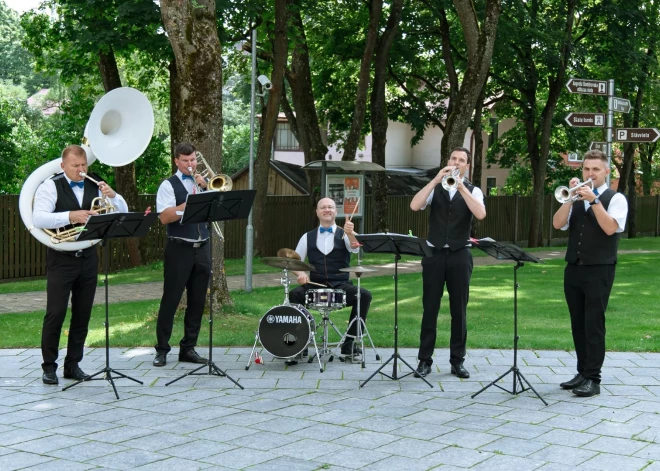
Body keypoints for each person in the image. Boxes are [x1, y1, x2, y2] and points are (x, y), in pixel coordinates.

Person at [32, 144, 128, 385]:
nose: (81, 170)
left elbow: (123, 212)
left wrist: (112, 195)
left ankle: (73, 365)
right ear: (63, 165)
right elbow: (38, 217)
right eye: (75, 166)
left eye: (84, 165)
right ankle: (49, 366)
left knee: (82, 314)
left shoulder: (95, 183)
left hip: (88, 256)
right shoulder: (50, 185)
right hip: (61, 257)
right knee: (55, 313)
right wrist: (70, 216)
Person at [552, 149, 628, 397]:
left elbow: (609, 228)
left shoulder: (616, 199)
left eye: (595, 169)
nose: (590, 174)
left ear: (607, 171)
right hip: (574, 268)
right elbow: (556, 224)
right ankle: (582, 372)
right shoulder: (576, 197)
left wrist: (594, 201)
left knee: (594, 324)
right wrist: (570, 199)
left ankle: (593, 379)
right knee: (578, 324)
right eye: (586, 169)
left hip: (600, 269)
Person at [410, 147, 486, 379]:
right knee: (429, 308)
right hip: (433, 254)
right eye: (453, 158)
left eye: (461, 160)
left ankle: (457, 361)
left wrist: (462, 187)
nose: (456, 162)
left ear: (467, 166)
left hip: (460, 254)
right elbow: (415, 205)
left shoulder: (473, 190)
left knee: (459, 310)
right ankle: (424, 361)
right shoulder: (436, 188)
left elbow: (480, 214)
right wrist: (434, 180)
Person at [153, 142, 212, 367]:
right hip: (179, 249)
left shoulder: (203, 184)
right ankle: (162, 349)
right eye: (186, 161)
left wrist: (205, 190)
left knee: (197, 302)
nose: (191, 165)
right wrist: (189, 204)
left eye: (193, 160)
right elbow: (165, 217)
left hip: (202, 248)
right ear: (177, 161)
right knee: (171, 299)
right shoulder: (168, 185)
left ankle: (188, 348)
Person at [290, 197, 372, 356]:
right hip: (315, 284)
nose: (327, 210)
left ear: (336, 211)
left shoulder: (346, 233)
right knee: (294, 294)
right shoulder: (307, 236)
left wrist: (350, 233)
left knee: (364, 295)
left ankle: (349, 343)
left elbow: (356, 248)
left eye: (330, 207)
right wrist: (301, 274)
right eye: (323, 207)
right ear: (317, 212)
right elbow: (294, 262)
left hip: (340, 285)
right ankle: (301, 343)